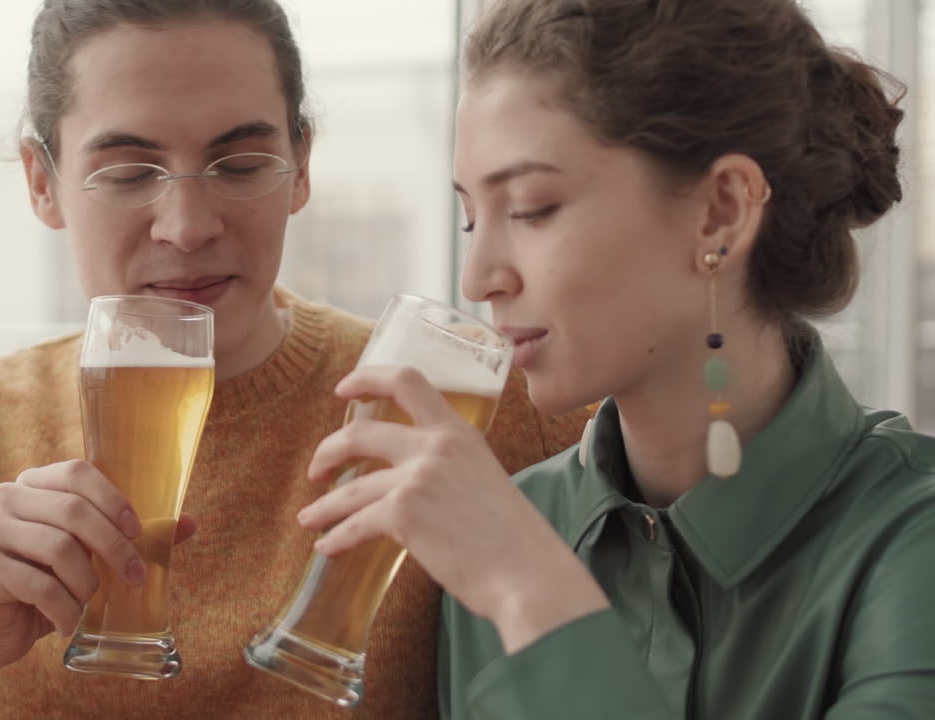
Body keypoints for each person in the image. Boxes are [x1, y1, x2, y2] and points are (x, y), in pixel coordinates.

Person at [0, 1, 585, 719]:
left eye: (239, 164)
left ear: (301, 164)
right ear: (43, 183)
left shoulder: (458, 413)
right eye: (127, 171)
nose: (188, 228)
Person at [296, 0, 935, 718]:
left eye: (532, 207)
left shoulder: (911, 534)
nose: (477, 278)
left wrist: (534, 594)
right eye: (473, 218)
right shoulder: (506, 522)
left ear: (720, 212)